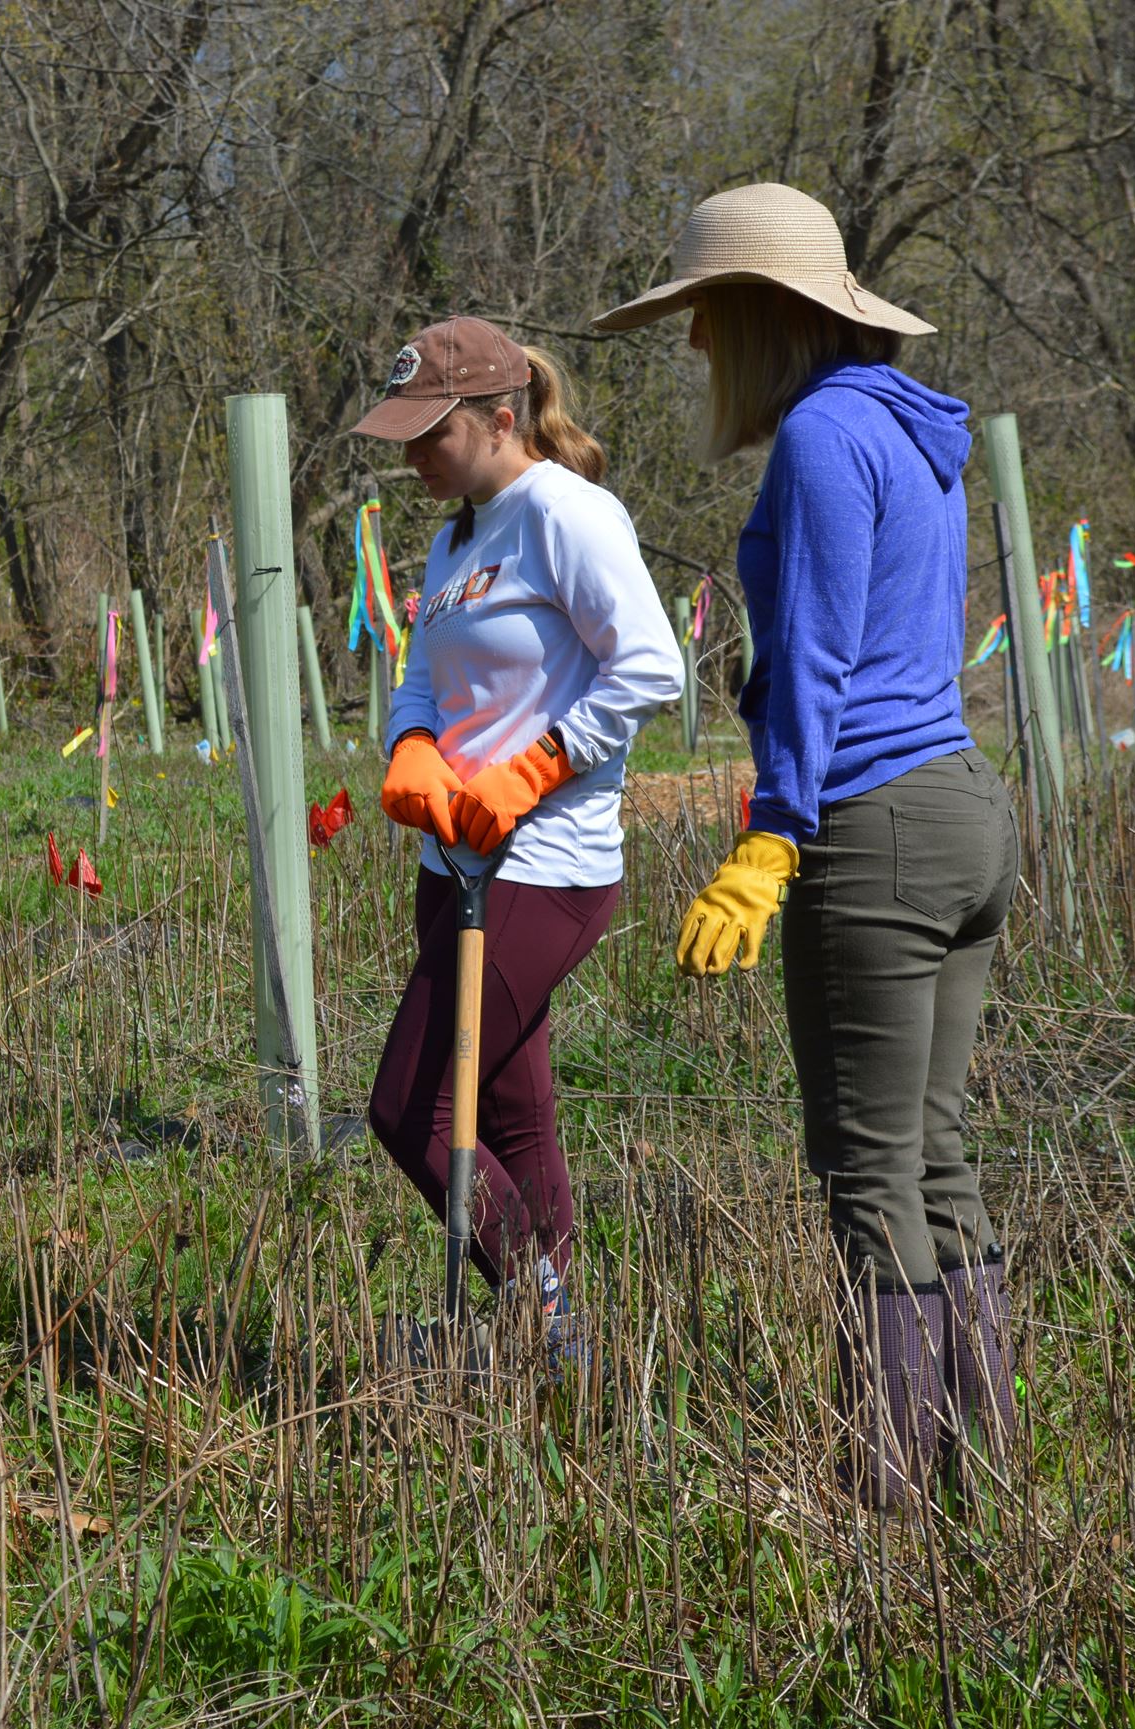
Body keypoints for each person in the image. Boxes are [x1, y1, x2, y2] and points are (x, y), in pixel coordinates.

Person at [594, 182, 1020, 1506]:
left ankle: (882, 1504)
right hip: (960, 807)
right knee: (934, 1156)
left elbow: (827, 655)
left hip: (875, 826)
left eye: (706, 316)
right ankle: (983, 1488)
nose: (692, 348)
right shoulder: (909, 428)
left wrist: (773, 834)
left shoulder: (826, 437)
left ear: (766, 317)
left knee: (868, 1170)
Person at [355, 315, 683, 1361]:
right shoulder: (455, 533)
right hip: (451, 863)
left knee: (409, 1111)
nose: (409, 454)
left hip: (542, 868)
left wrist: (535, 765)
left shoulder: (566, 513)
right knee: (511, 1111)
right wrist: (411, 744)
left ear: (499, 418)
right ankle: (559, 1355)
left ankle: (539, 1317)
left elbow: (650, 667)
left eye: (427, 432)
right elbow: (419, 673)